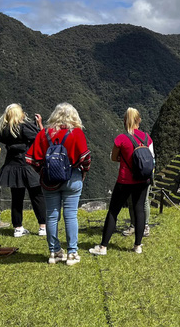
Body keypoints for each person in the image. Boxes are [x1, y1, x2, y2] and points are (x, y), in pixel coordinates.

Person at [26, 103, 91, 265]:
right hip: (72, 178)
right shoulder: (76, 133)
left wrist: (42, 172)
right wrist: (83, 172)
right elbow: (86, 158)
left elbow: (31, 159)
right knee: (70, 215)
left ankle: (54, 253)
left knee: (52, 216)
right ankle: (72, 253)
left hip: (49, 181)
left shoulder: (44, 133)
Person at [90, 107, 153, 256]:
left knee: (113, 211)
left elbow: (113, 157)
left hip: (125, 180)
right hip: (143, 179)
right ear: (139, 121)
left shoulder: (121, 139)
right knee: (139, 211)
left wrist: (124, 158)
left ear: (125, 121)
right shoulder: (146, 137)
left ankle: (103, 247)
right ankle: (137, 246)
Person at [0, 103, 47, 237]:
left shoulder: (4, 130)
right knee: (37, 196)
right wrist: (39, 123)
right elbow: (41, 138)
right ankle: (43, 226)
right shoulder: (24, 127)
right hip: (27, 165)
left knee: (17, 197)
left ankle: (18, 228)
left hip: (12, 165)